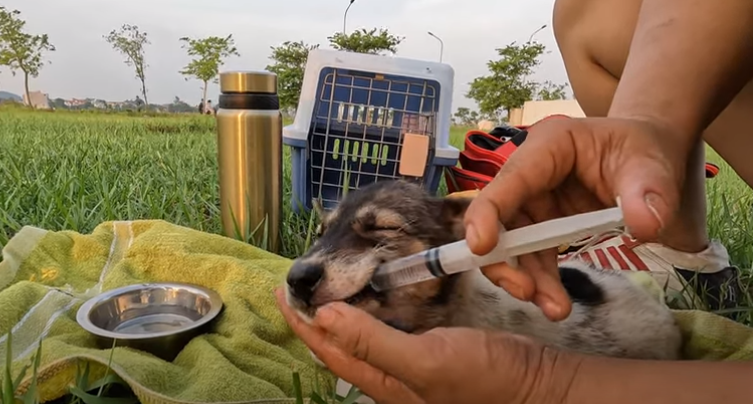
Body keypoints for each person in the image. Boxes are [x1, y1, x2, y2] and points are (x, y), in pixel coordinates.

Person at [276, 0, 753, 403]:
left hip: (616, 334)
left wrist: (545, 384)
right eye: (326, 233)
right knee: (586, 12)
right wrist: (647, 127)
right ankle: (678, 253)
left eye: (381, 230)